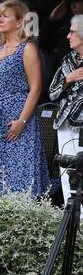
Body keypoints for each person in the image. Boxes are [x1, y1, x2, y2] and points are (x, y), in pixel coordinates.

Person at [0, 0, 47, 198]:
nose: (0, 19)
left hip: (18, 118)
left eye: (6, 16)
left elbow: (36, 88)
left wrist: (22, 121)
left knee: (20, 173)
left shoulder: (27, 48)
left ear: (19, 22)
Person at [49, 15, 83, 199]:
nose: (68, 36)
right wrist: (69, 79)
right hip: (64, 123)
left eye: (72, 32)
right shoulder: (68, 59)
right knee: (66, 172)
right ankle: (70, 219)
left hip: (81, 125)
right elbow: (53, 93)